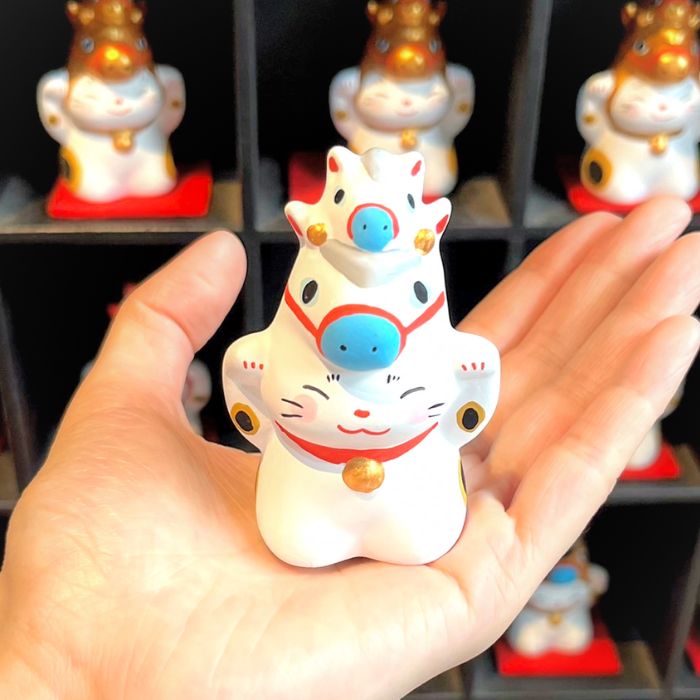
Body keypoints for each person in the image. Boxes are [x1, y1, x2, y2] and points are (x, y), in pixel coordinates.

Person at [0, 197, 698, 699]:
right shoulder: (288, 327)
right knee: (298, 534)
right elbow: (250, 379)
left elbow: (466, 387)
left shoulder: (442, 332)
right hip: (304, 481)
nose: (363, 342)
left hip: (416, 483)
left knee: (421, 528)